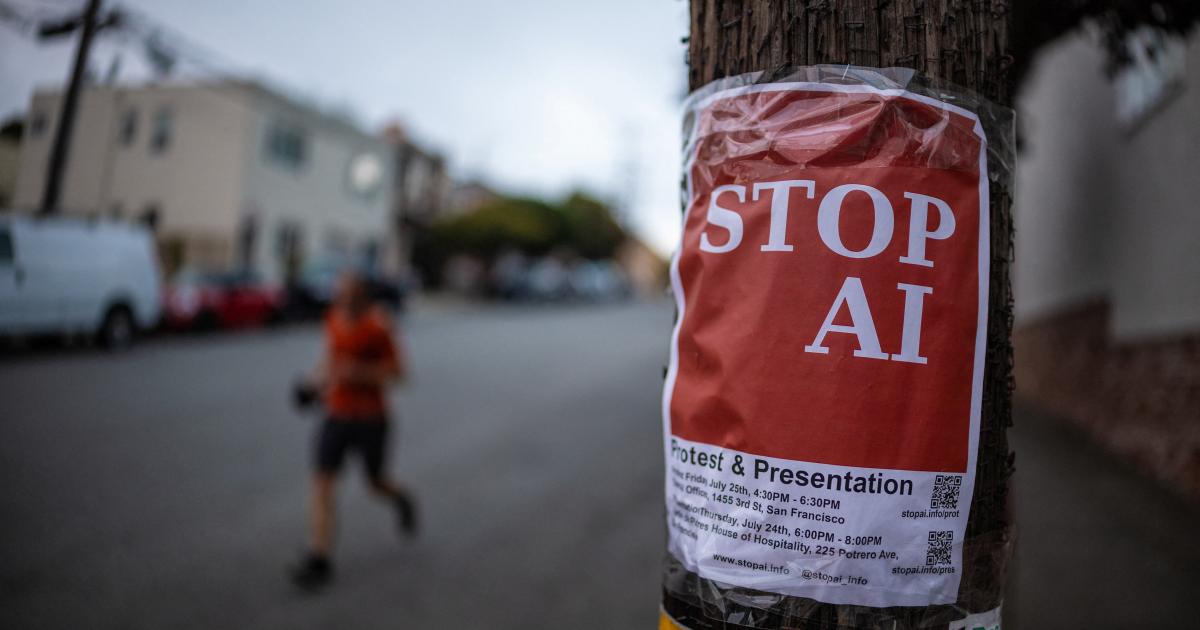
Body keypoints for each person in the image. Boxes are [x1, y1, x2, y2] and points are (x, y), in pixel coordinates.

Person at [290, 271, 417, 590]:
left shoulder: (378, 327)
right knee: (322, 484)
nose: (340, 298)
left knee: (375, 483)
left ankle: (401, 498)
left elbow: (399, 374)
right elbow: (330, 359)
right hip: (336, 415)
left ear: (362, 297)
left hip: (371, 419)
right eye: (338, 292)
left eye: (347, 293)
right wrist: (313, 384)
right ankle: (319, 558)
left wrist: (358, 372)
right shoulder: (333, 318)